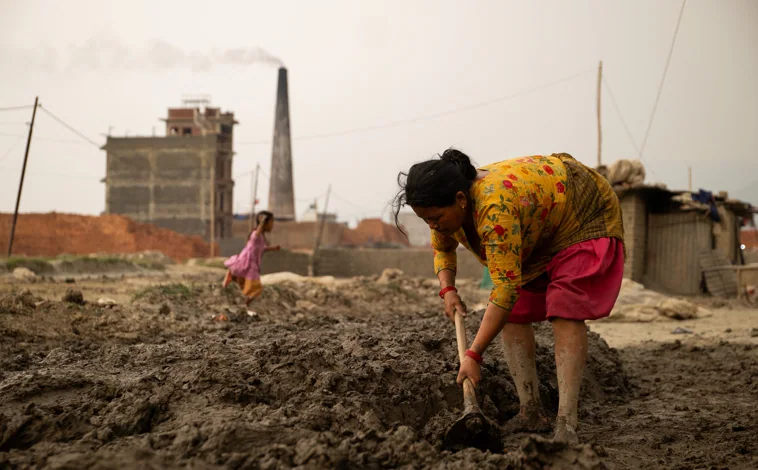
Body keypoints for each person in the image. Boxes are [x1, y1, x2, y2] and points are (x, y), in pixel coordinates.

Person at [392, 149, 624, 444]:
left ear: (461, 200)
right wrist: (448, 289)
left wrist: (473, 355)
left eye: (435, 218)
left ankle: (567, 422)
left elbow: (504, 289)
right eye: (425, 220)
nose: (432, 226)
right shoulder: (445, 207)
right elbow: (443, 248)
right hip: (537, 223)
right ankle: (531, 410)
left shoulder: (494, 208)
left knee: (565, 307)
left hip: (579, 209)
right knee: (515, 313)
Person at [223, 211, 281, 307]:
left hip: (249, 265)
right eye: (271, 222)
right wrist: (262, 222)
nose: (272, 225)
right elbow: (256, 237)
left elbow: (261, 248)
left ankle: (242, 304)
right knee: (255, 288)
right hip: (248, 264)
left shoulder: (260, 237)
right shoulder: (256, 235)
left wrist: (273, 248)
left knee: (247, 286)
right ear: (265, 223)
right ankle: (244, 305)